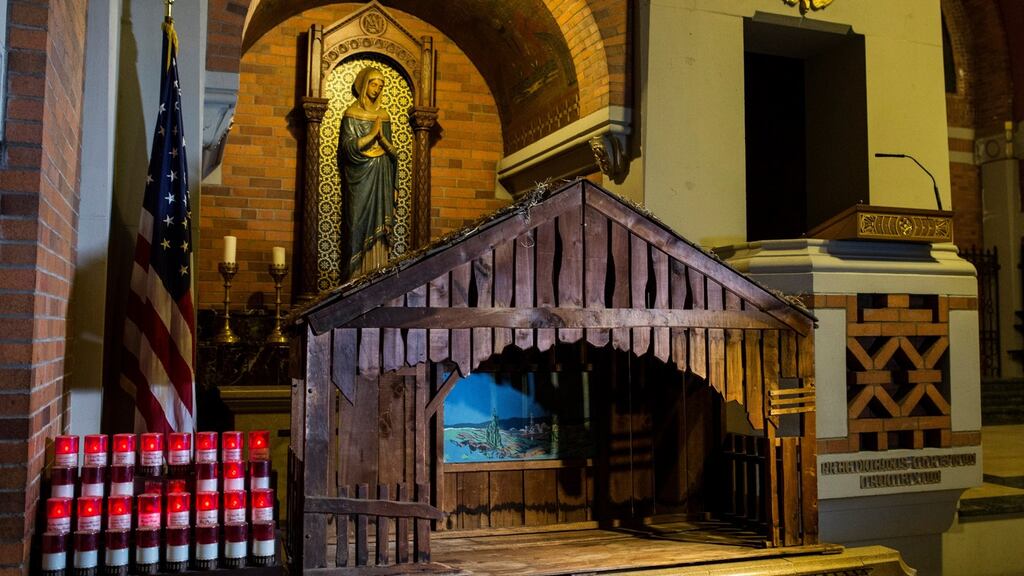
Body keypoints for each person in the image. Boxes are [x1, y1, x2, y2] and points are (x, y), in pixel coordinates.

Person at [338, 66, 397, 279]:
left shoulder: (384, 115)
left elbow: (393, 154)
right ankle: (354, 278)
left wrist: (382, 141)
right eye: (374, 84)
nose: (377, 89)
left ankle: (377, 275)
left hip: (381, 175)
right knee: (355, 225)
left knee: (380, 224)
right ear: (364, 85)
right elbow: (347, 149)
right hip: (358, 177)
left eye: (381, 86)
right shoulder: (351, 114)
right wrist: (372, 135)